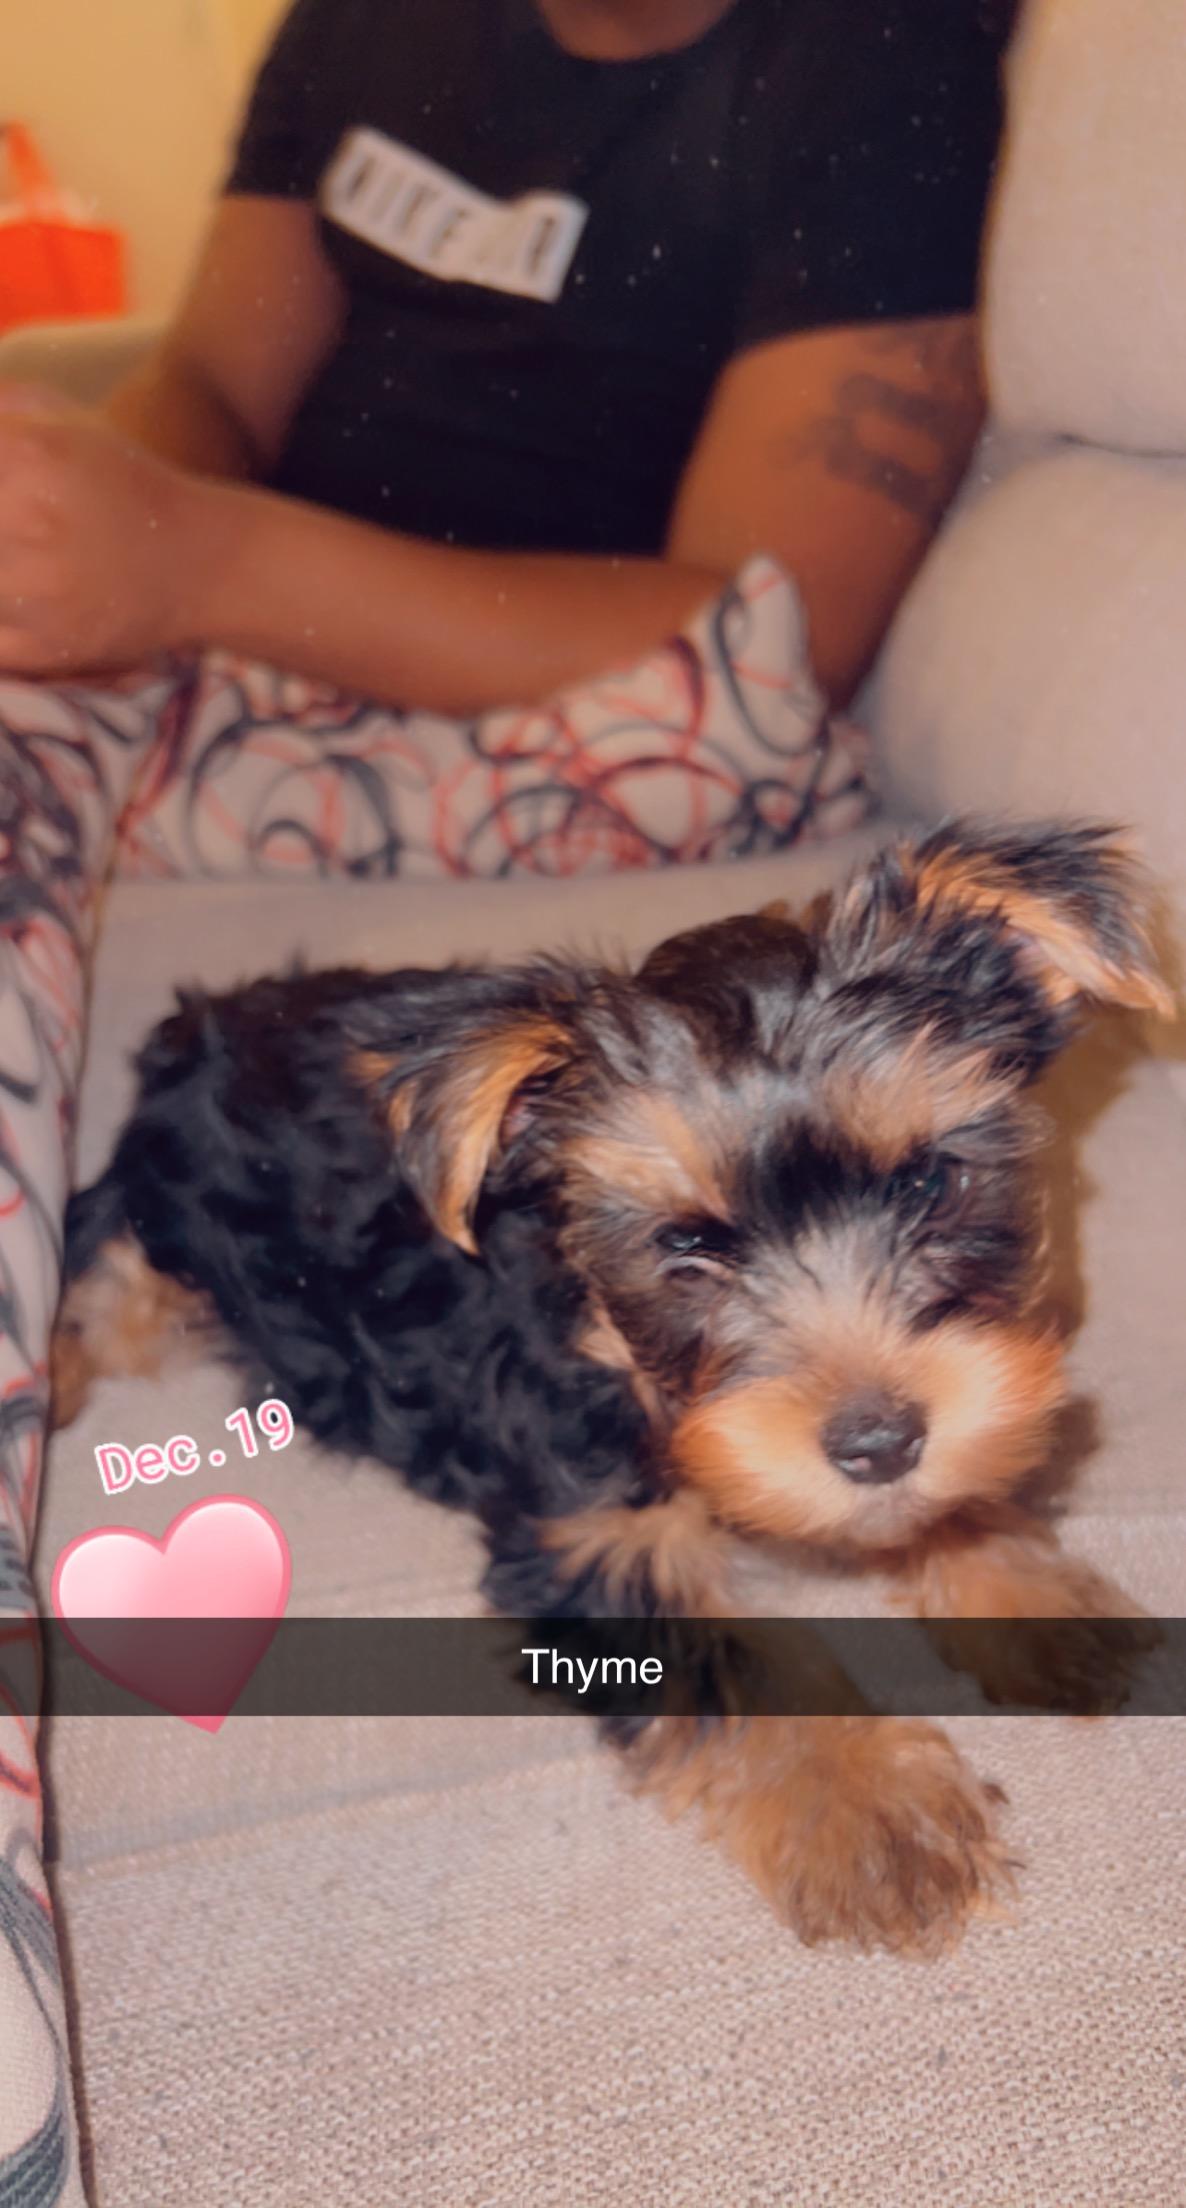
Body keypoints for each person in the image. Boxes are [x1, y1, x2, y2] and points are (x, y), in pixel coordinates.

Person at [0, 1, 1014, 731]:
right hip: (231, 652)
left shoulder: (890, 64)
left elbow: (765, 652)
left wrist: (199, 566)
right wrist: (85, 538)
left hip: (532, 721)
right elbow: (213, 384)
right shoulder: (359, 23)